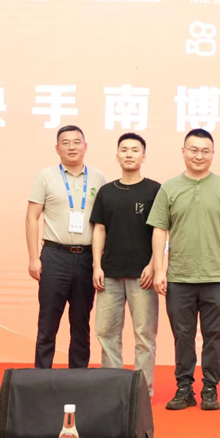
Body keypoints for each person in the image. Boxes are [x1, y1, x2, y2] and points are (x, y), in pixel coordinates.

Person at [147, 128, 220, 411]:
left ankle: (210, 388)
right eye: (193, 150)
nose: (199, 156)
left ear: (212, 154)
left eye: (205, 151)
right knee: (183, 336)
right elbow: (159, 230)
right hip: (179, 277)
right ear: (183, 152)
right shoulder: (169, 188)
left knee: (214, 336)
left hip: (216, 277)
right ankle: (184, 388)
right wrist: (160, 269)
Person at [26, 125, 106, 368]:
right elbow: (32, 217)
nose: (72, 147)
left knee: (81, 323)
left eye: (77, 142)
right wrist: (34, 258)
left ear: (85, 147)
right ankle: (41, 377)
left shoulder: (98, 178)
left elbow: (103, 223)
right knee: (47, 322)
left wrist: (99, 263)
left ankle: (78, 378)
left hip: (86, 258)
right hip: (54, 256)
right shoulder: (45, 176)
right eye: (66, 142)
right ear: (57, 148)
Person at [90, 132, 161, 396]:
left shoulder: (155, 190)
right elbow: (99, 229)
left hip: (143, 275)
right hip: (109, 274)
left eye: (134, 150)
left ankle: (142, 392)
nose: (129, 154)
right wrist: (97, 266)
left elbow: (161, 231)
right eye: (124, 150)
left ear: (144, 156)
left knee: (145, 335)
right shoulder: (107, 191)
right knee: (106, 333)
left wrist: (154, 265)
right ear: (117, 155)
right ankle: (113, 390)